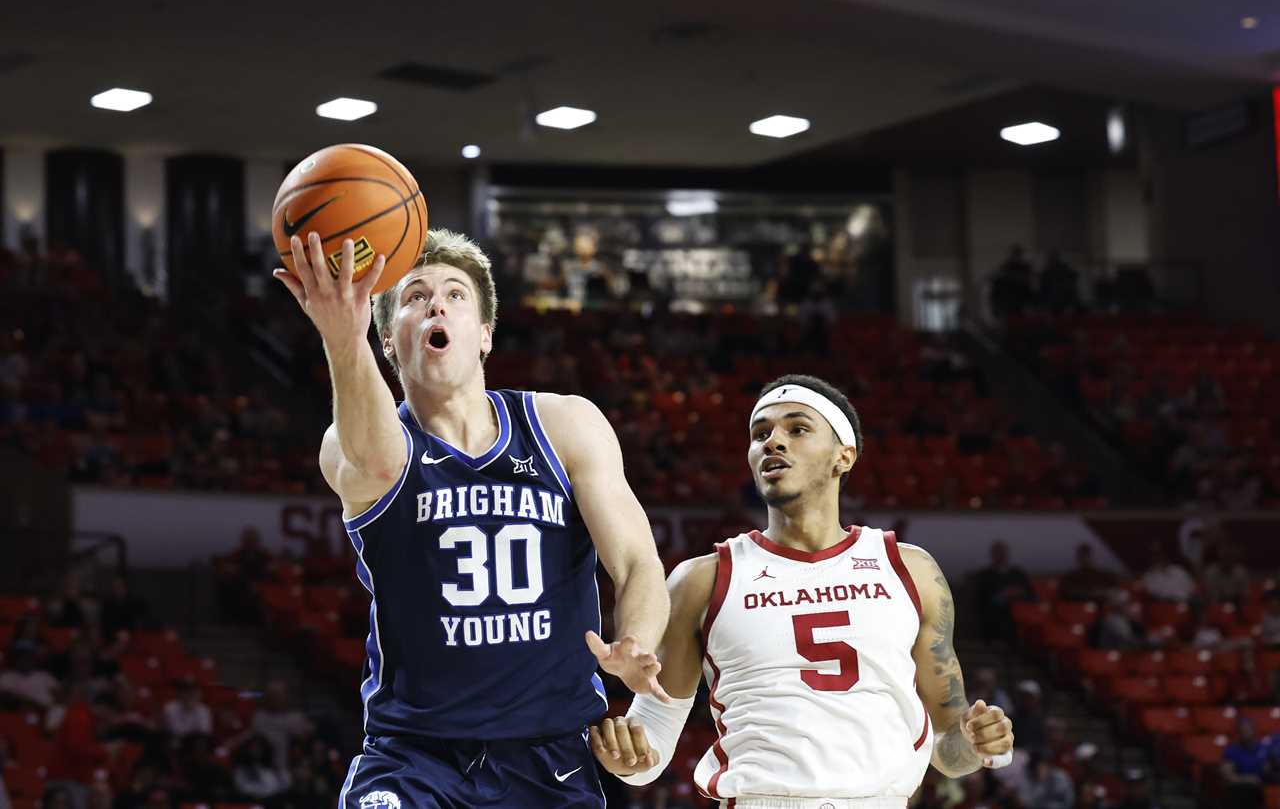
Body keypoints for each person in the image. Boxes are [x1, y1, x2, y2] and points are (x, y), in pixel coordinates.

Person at [273, 228, 670, 808]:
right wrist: (341, 338)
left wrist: (634, 640)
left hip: (550, 757)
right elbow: (380, 464)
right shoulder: (351, 443)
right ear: (387, 338)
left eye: (456, 294)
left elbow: (636, 561)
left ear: (484, 335)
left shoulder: (564, 426)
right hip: (415, 757)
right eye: (414, 296)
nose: (436, 303)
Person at [588, 375, 1015, 806]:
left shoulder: (911, 569)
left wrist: (979, 744)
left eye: (797, 429)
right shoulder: (702, 580)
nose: (773, 442)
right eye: (760, 434)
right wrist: (626, 756)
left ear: (844, 456)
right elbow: (653, 743)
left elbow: (949, 750)